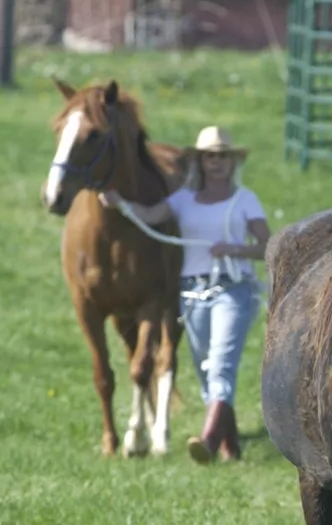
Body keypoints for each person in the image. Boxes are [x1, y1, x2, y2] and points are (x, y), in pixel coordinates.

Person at [101, 126, 270, 464]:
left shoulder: (245, 200)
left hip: (232, 289)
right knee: (207, 369)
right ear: (200, 161)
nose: (216, 162)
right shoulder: (183, 200)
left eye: (222, 156)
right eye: (210, 156)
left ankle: (207, 443)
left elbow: (268, 246)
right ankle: (230, 446)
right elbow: (149, 216)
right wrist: (120, 203)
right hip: (192, 293)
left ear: (232, 161)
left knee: (221, 363)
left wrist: (235, 250)